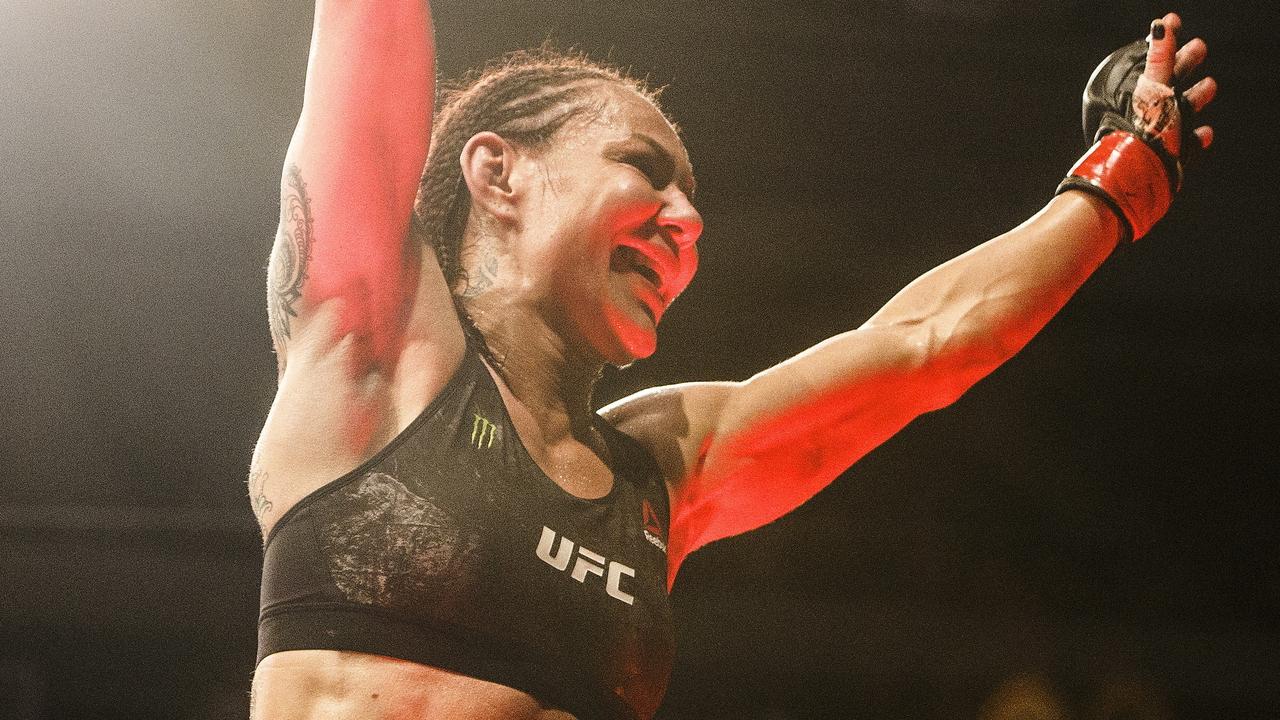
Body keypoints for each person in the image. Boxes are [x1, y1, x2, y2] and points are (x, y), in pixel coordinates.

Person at [247, 2, 1216, 718]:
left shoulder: (659, 472)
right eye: (643, 169)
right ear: (497, 171)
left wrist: (1118, 178)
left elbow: (922, 347)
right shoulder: (372, 347)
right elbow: (367, 33)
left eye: (691, 197)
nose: (687, 220)